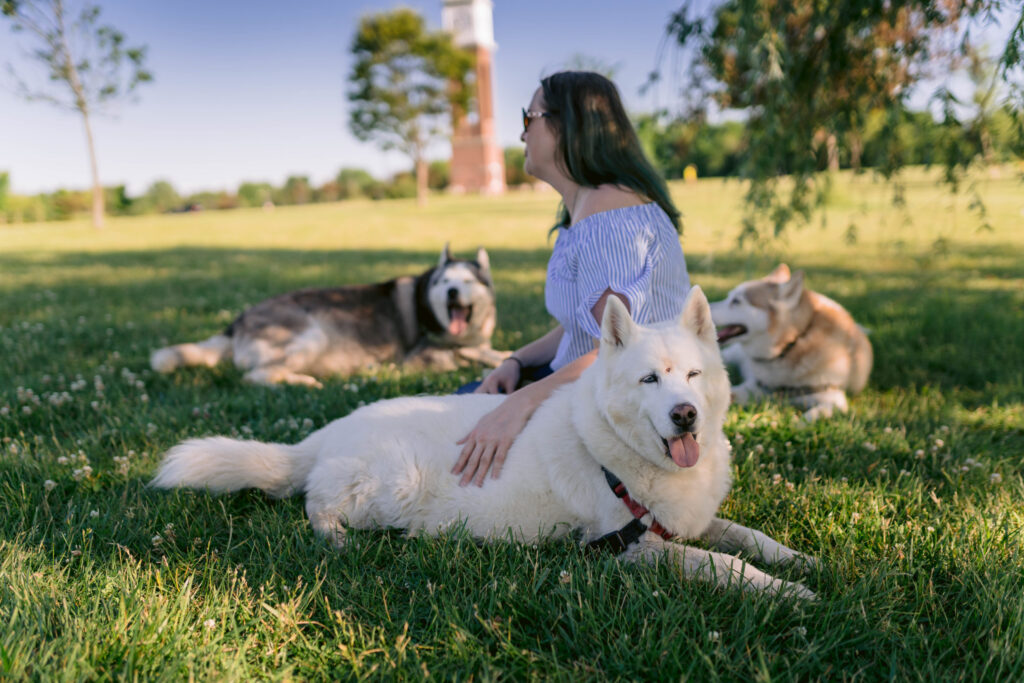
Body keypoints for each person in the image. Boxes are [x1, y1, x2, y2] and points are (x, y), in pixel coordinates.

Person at [451, 71, 691, 486]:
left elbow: (613, 355)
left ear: (568, 126)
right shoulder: (591, 208)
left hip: (618, 402)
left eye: (530, 118)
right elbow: (581, 331)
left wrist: (519, 405)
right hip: (579, 385)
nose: (522, 133)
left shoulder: (610, 215)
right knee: (463, 409)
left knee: (457, 430)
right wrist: (517, 361)